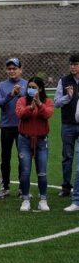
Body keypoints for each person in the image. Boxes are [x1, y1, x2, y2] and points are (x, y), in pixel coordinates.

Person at [17, 77, 54, 212]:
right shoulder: (22, 100)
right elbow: (20, 114)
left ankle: (43, 199)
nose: (31, 90)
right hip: (25, 140)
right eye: (29, 87)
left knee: (42, 172)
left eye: (34, 87)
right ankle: (25, 199)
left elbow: (48, 114)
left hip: (41, 141)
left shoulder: (48, 101)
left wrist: (39, 105)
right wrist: (30, 107)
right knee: (25, 172)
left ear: (41, 89)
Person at [0, 58, 27, 198]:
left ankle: (22, 188)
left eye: (14, 68)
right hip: (6, 127)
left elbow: (32, 101)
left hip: (23, 126)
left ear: (20, 69)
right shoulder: (0, 85)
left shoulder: (27, 84)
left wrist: (19, 94)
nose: (12, 71)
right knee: (5, 159)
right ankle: (4, 187)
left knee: (23, 158)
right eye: (9, 69)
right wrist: (10, 95)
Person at [54, 54, 79, 198]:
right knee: (67, 156)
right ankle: (66, 186)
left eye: (75, 64)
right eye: (71, 64)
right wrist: (68, 97)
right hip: (68, 124)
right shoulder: (64, 81)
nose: (72, 67)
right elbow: (56, 103)